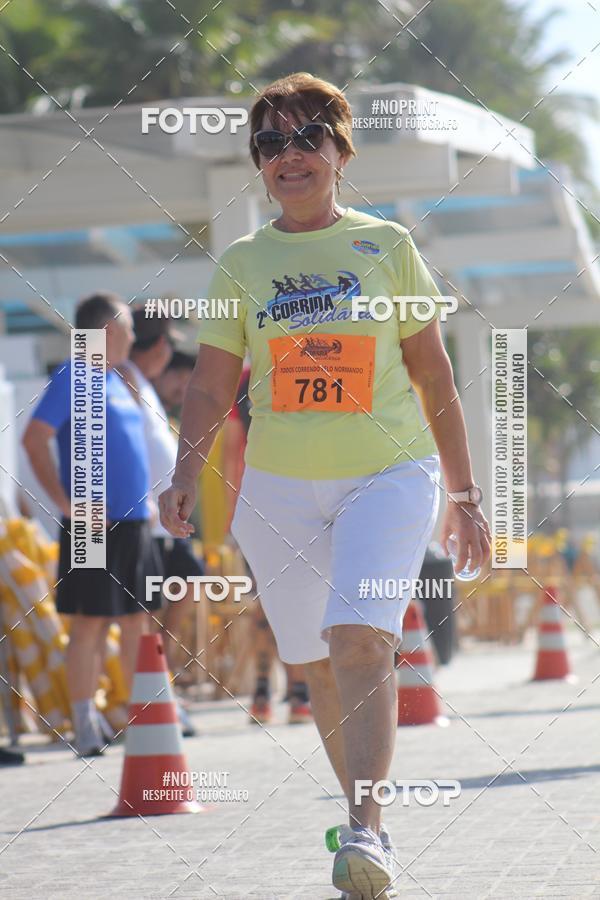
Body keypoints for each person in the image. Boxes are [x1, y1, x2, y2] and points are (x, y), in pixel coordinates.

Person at [159, 72, 491, 900]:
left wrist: (466, 497)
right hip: (277, 488)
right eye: (270, 143)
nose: (289, 155)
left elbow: (433, 373)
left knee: (358, 640)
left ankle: (370, 832)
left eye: (307, 137)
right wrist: (182, 470)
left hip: (388, 472)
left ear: (342, 150)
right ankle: (358, 818)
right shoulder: (241, 262)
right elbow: (207, 384)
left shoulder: (388, 246)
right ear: (259, 165)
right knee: (314, 666)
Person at [22, 292, 162, 757]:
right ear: (106, 332)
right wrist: (66, 503)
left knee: (138, 621)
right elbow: (34, 438)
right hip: (92, 524)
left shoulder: (119, 380)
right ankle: (84, 722)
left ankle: (135, 714)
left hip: (136, 520)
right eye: (127, 330)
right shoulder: (73, 377)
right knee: (91, 623)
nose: (134, 338)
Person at [123, 310, 205, 736]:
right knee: (145, 613)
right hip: (148, 520)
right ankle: (152, 695)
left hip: (163, 519)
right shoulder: (128, 379)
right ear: (159, 347)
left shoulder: (141, 384)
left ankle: (161, 685)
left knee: (181, 590)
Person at [222, 367, 313, 725]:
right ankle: (297, 694)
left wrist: (234, 515)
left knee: (269, 604)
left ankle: (266, 693)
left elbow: (231, 455)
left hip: (259, 502)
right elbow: (232, 452)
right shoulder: (264, 374)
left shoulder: (244, 377)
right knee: (294, 603)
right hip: (288, 502)